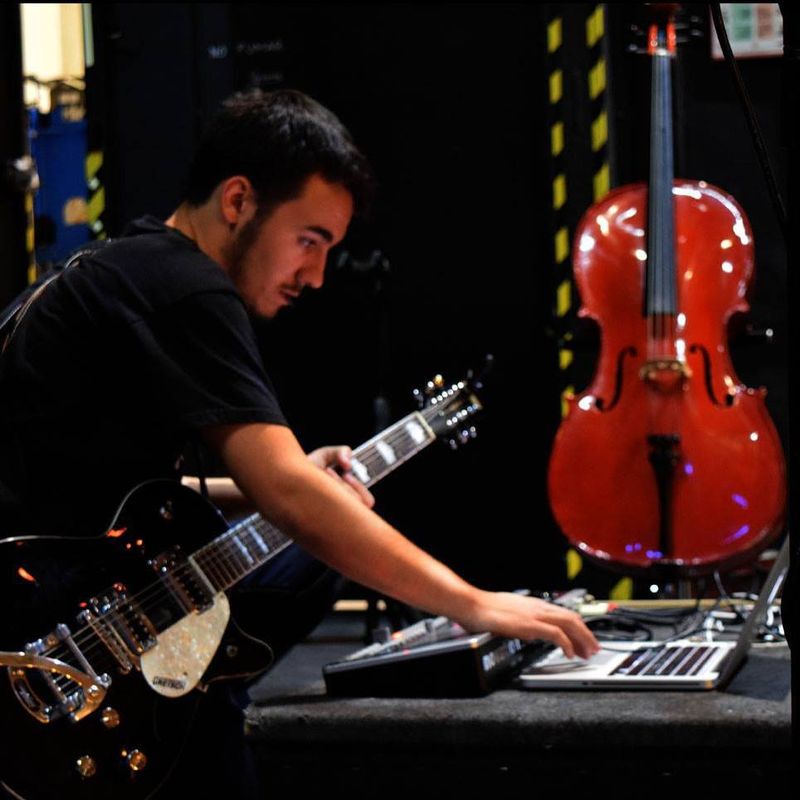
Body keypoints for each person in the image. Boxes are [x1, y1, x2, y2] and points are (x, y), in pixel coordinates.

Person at [0, 89, 599, 798]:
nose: (315, 276)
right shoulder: (188, 286)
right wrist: (474, 604)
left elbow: (86, 482)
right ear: (237, 201)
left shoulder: (120, 267)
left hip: (60, 619)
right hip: (55, 642)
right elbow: (288, 494)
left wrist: (274, 483)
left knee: (314, 544)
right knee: (318, 537)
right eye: (309, 241)